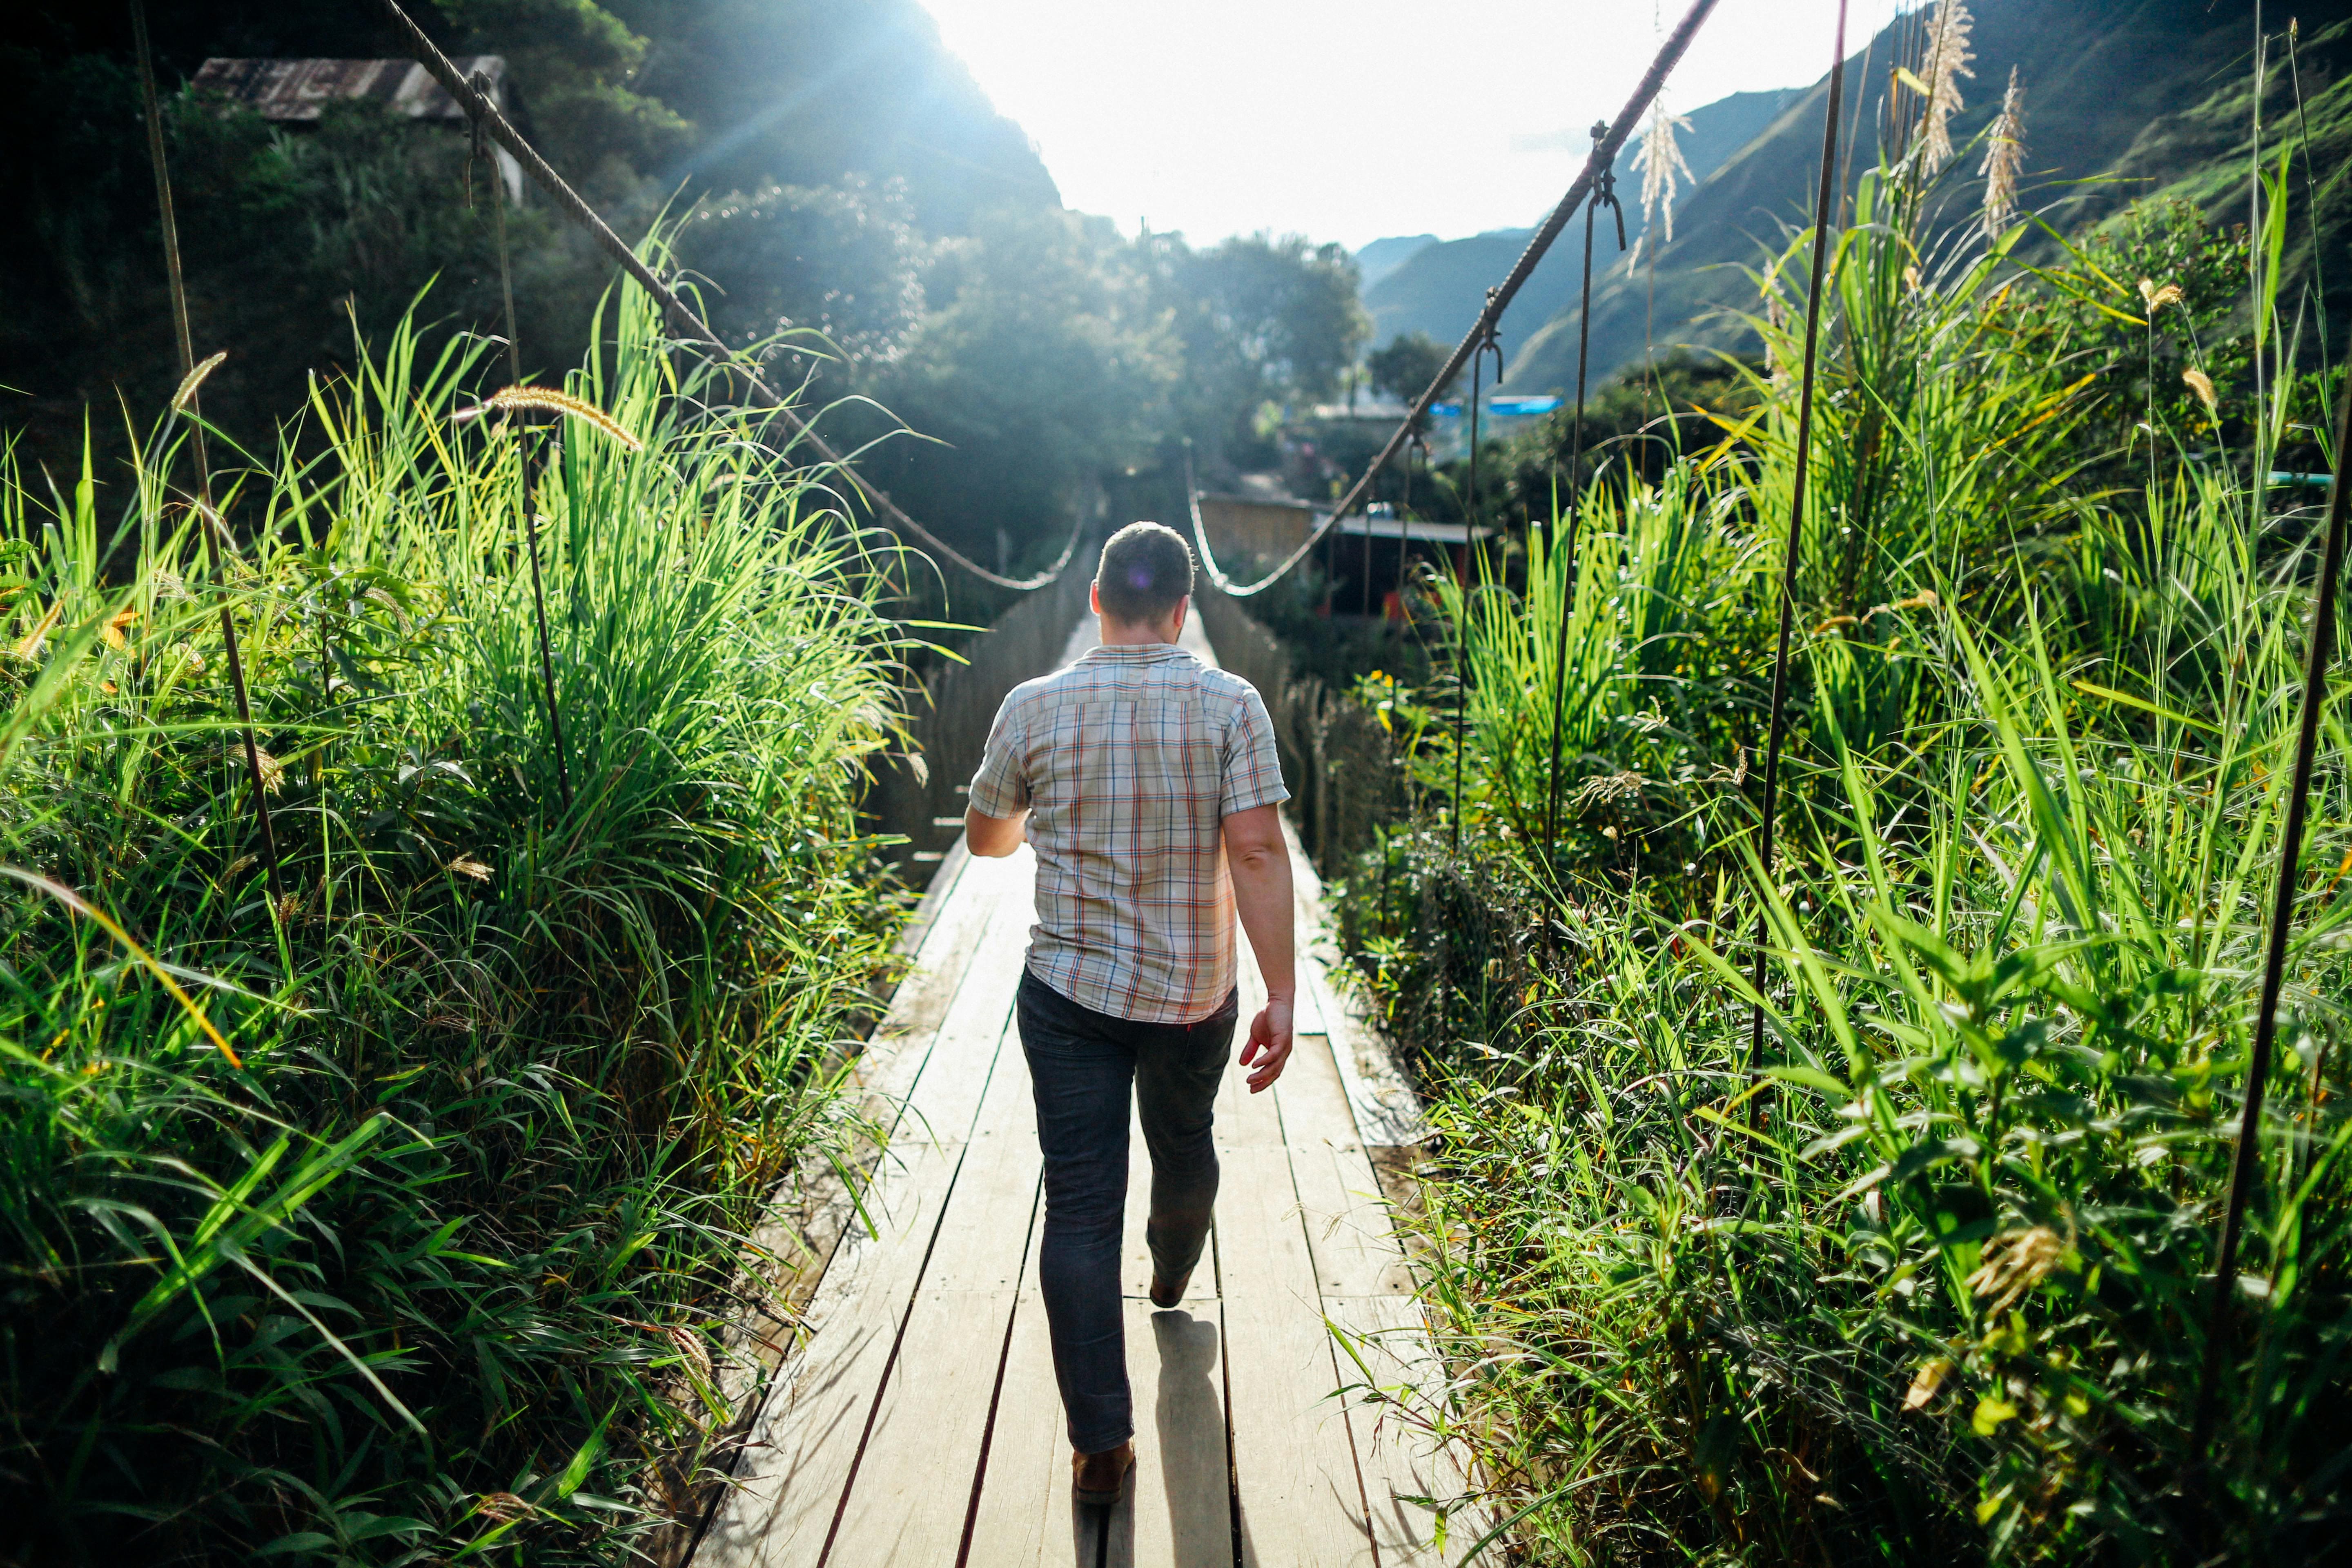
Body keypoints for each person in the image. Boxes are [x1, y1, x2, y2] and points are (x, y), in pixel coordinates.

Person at [963, 520, 1295, 1510]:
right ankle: (1169, 1278)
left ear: (1095, 603)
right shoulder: (1232, 703)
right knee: (1184, 1137)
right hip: (1197, 994)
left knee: (1077, 1203)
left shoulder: (1033, 706)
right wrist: (1281, 993)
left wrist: (1040, 809)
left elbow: (985, 843)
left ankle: (1099, 1445)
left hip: (1070, 998)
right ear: (1186, 612)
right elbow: (1259, 855)